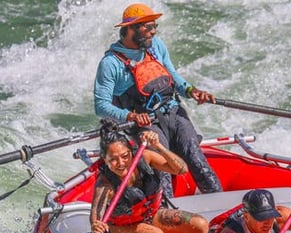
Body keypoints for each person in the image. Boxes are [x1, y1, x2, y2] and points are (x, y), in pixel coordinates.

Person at [93, 3, 222, 196]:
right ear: (130, 29)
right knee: (163, 175)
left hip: (174, 113)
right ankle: (167, 216)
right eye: (148, 27)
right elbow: (101, 106)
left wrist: (191, 90)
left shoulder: (156, 46)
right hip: (147, 125)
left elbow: (172, 75)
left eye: (155, 27)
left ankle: (221, 208)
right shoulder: (110, 64)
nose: (153, 32)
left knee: (198, 161)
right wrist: (130, 116)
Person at [90, 124, 209, 233]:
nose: (121, 163)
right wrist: (96, 224)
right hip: (121, 229)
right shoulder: (105, 184)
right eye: (113, 159)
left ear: (131, 151)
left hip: (150, 216)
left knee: (200, 225)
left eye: (125, 156)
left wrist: (159, 146)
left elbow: (181, 169)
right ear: (105, 160)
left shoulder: (145, 157)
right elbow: (96, 214)